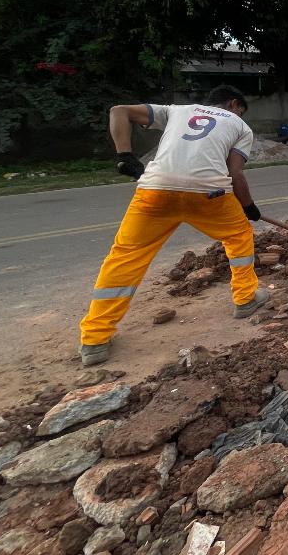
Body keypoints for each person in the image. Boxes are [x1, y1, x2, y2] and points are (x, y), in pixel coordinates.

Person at [79, 85, 267, 366]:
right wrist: (249, 207)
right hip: (210, 194)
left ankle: (94, 339)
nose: (241, 113)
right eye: (241, 109)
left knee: (126, 256)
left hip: (155, 191)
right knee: (239, 235)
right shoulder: (239, 125)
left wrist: (125, 156)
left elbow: (119, 111)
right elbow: (234, 172)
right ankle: (245, 299)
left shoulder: (174, 111)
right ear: (233, 104)